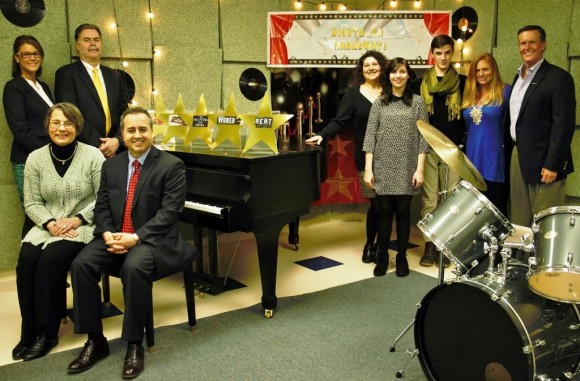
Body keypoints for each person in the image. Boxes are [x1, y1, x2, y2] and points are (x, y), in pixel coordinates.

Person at [68, 107, 197, 379]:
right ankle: (95, 340)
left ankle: (134, 344)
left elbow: (169, 213)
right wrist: (107, 235)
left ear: (152, 131)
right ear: (122, 135)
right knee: (81, 264)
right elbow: (101, 207)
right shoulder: (112, 165)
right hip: (116, 236)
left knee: (134, 267)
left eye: (143, 129)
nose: (137, 135)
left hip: (154, 240)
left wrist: (135, 238)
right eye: (131, 130)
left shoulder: (171, 165)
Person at [12, 103, 104, 361]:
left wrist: (76, 219)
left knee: (50, 261)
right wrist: (50, 223)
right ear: (47, 126)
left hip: (83, 227)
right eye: (56, 123)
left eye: (68, 123)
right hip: (47, 226)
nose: (62, 128)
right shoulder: (35, 158)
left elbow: (102, 198)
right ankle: (28, 332)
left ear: (77, 126)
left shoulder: (93, 156)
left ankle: (47, 334)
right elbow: (31, 202)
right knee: (26, 261)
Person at [306, 50, 388, 264]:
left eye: (375, 64)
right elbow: (340, 121)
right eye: (366, 65)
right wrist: (322, 135)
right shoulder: (353, 94)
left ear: (382, 67)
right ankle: (371, 243)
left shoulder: (390, 92)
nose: (371, 68)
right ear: (361, 70)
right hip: (365, 159)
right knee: (377, 205)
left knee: (387, 205)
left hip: (392, 157)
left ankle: (381, 247)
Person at [363, 57, 429, 277]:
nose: (398, 76)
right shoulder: (379, 103)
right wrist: (369, 169)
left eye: (402, 72)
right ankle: (382, 257)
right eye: (394, 72)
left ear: (408, 75)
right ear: (388, 76)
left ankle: (401, 258)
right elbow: (370, 137)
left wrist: (420, 169)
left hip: (408, 166)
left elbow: (424, 138)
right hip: (382, 166)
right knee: (383, 214)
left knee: (403, 214)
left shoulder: (418, 103)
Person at [505, 25, 576, 226]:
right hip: (519, 158)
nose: (527, 47)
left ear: (543, 45)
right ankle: (522, 259)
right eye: (522, 43)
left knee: (544, 223)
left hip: (546, 162)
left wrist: (553, 164)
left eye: (532, 42)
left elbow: (564, 125)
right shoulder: (518, 78)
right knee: (520, 221)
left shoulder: (559, 78)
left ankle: (543, 259)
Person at [413, 34, 466, 267]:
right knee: (430, 199)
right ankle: (429, 245)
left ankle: (446, 245)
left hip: (454, 149)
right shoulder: (419, 84)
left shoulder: (463, 82)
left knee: (451, 199)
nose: (443, 57)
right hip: (428, 149)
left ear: (452, 53)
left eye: (447, 53)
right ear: (432, 54)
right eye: (438, 53)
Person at [3, 35, 54, 236]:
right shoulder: (14, 87)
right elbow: (20, 130)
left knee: (50, 212)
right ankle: (27, 264)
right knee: (34, 214)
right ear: (17, 58)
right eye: (26, 54)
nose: (32, 58)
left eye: (36, 53)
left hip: (48, 159)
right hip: (27, 161)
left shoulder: (44, 87)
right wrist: (49, 153)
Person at [55, 23, 129, 159]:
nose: (92, 44)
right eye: (86, 40)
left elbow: (125, 112)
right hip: (83, 152)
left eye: (96, 40)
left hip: (116, 151)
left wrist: (117, 140)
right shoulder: (66, 74)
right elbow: (70, 115)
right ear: (77, 46)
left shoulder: (114, 76)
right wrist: (101, 146)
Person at [461, 53, 511, 216]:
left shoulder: (506, 92)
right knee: (473, 215)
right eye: (477, 70)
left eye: (485, 69)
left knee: (495, 214)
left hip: (495, 162)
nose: (481, 74)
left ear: (494, 70)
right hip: (472, 161)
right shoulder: (470, 94)